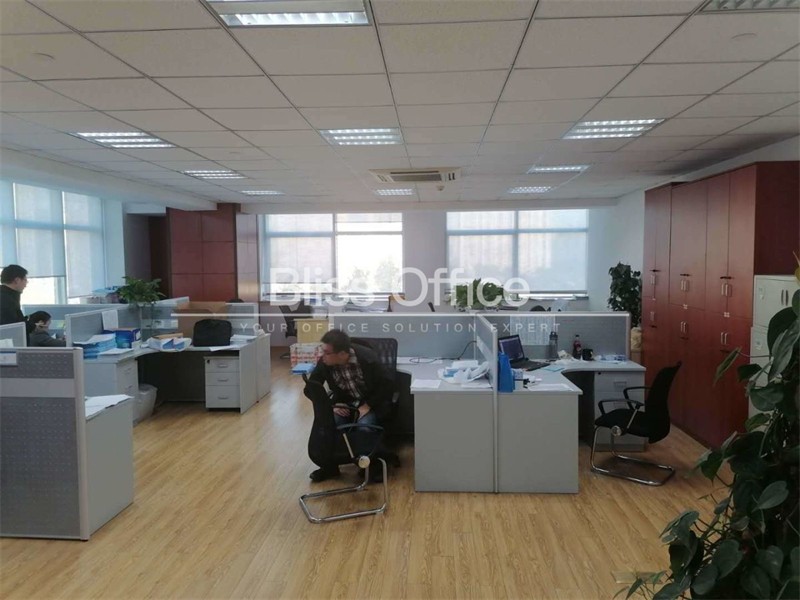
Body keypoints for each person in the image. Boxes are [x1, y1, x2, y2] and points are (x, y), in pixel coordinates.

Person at [305, 329, 394, 482]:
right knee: (329, 425)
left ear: (342, 354)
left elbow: (387, 385)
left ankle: (369, 467)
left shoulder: (368, 359)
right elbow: (311, 388)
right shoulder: (325, 362)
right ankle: (330, 466)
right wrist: (332, 404)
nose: (322, 356)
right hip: (344, 402)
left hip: (370, 401)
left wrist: (368, 405)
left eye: (327, 353)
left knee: (364, 426)